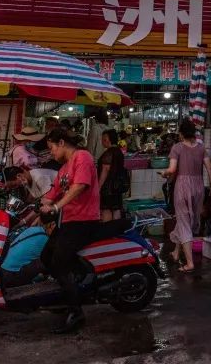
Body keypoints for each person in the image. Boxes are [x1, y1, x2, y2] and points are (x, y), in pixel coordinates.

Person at [38, 128, 101, 334]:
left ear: (62, 143)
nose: (51, 153)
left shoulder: (82, 157)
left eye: (52, 148)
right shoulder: (64, 168)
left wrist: (56, 207)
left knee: (59, 261)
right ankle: (72, 288)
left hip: (84, 221)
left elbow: (80, 186)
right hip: (68, 222)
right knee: (46, 256)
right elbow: (54, 191)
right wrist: (42, 201)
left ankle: (76, 311)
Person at [163, 121, 211, 274]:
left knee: (184, 221)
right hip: (198, 186)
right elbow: (209, 168)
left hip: (182, 186)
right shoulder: (201, 148)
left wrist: (165, 173)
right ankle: (175, 252)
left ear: (181, 133)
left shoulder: (177, 147)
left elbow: (172, 169)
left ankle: (190, 263)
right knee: (187, 220)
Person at [97, 129, 127, 222]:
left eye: (103, 139)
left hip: (108, 188)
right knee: (116, 208)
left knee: (106, 209)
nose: (102, 141)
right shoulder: (119, 151)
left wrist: (98, 187)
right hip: (117, 186)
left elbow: (105, 171)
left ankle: (108, 230)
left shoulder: (109, 153)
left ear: (107, 139)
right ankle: (116, 230)